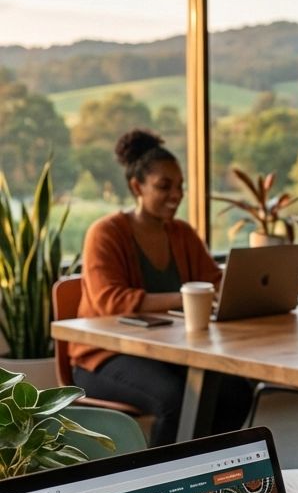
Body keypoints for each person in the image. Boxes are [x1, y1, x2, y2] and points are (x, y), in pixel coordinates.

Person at [71, 130, 253, 447]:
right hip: (103, 357)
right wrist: (187, 298)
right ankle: (160, 492)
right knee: (175, 400)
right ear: (136, 187)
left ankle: (206, 475)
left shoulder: (182, 233)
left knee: (235, 392)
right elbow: (109, 302)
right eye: (164, 186)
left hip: (167, 352)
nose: (176, 195)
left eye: (180, 186)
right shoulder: (106, 233)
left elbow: (214, 281)